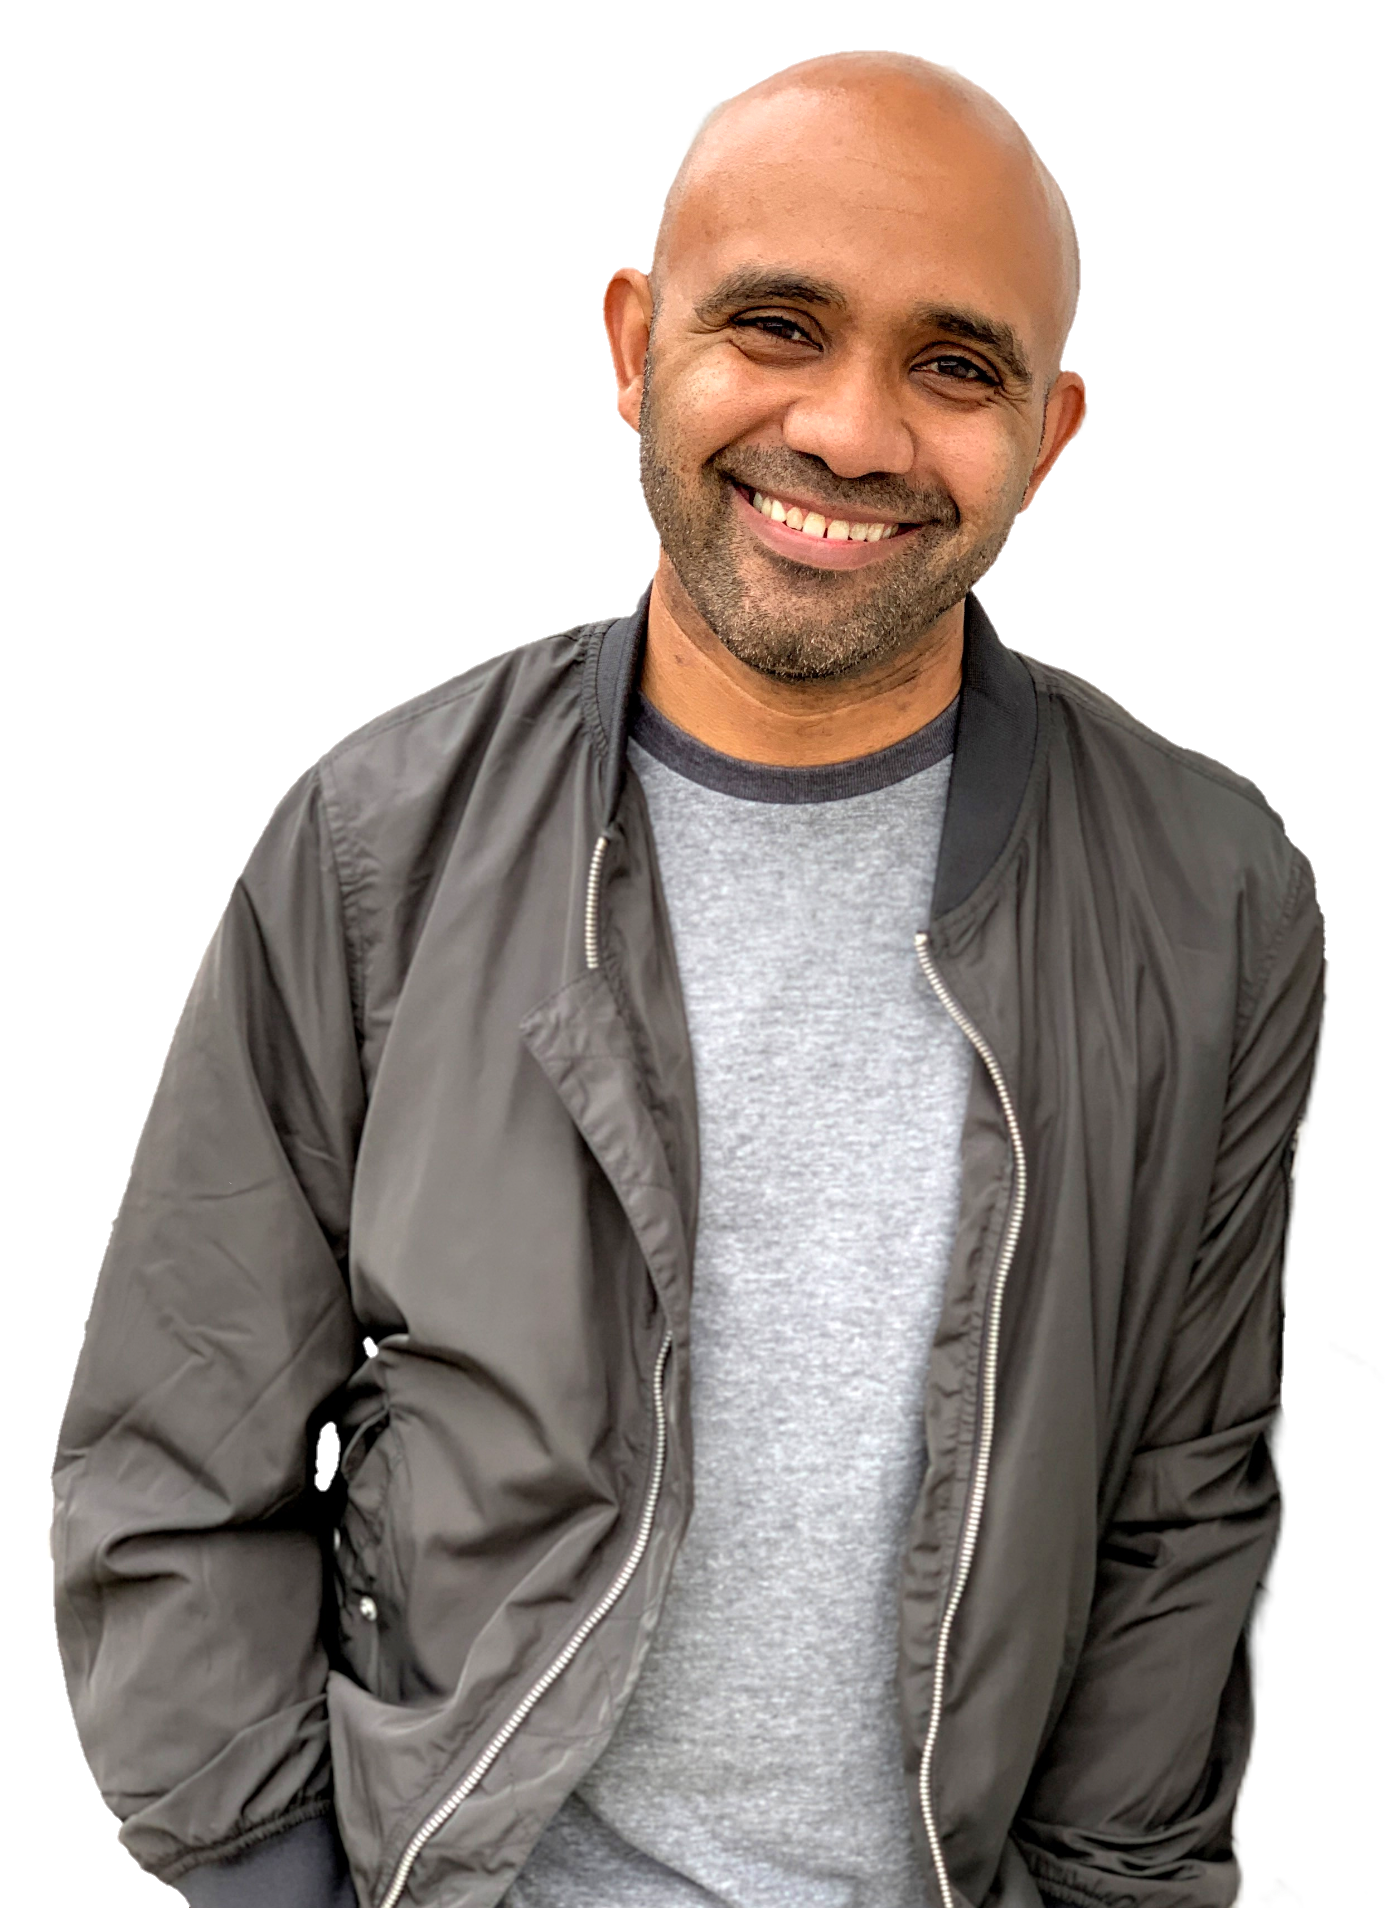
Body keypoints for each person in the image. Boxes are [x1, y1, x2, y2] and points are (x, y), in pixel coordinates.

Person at [51, 51, 1323, 1908]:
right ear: (636, 346)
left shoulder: (1211, 900)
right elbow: (181, 1454)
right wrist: (259, 1881)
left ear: (1049, 442)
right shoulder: (374, 841)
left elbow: (1182, 1508)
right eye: (779, 326)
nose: (853, 431)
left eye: (954, 368)